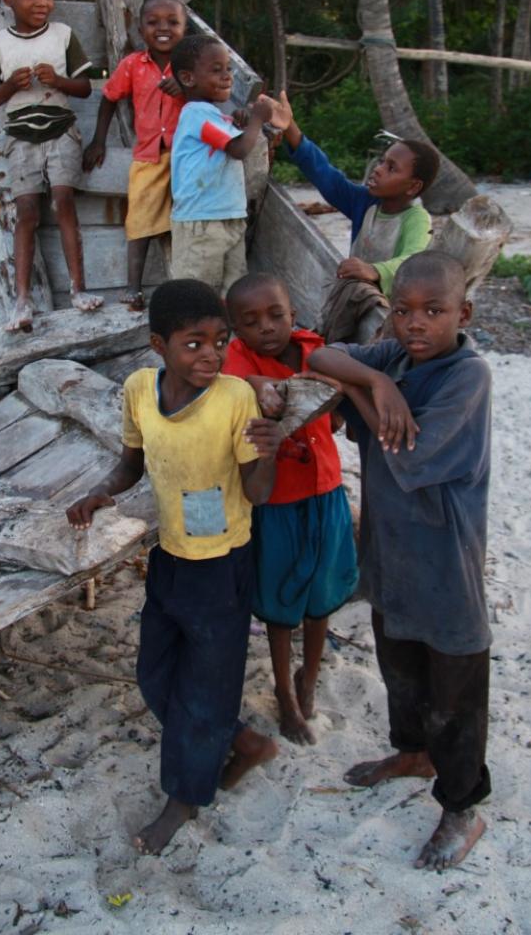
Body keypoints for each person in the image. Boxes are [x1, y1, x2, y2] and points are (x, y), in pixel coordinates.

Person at [67, 278, 282, 855]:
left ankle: (182, 801)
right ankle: (245, 743)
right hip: (170, 559)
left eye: (219, 341)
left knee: (206, 692)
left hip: (222, 568)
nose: (210, 354)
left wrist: (271, 450)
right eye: (194, 344)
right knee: (155, 676)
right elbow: (131, 465)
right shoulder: (139, 389)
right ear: (158, 345)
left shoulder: (236, 398)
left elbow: (257, 494)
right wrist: (100, 493)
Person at [306, 250, 492, 871]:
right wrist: (376, 381)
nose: (416, 325)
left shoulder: (467, 377)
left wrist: (358, 389)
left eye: (433, 312)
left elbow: (406, 456)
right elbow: (318, 356)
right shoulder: (394, 359)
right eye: (404, 312)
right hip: (390, 556)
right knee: (401, 668)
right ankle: (412, 752)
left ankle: (462, 808)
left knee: (455, 693)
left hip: (446, 566)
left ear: (461, 313)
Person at [223, 273, 358, 746]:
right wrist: (262, 382)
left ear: (293, 315)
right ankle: (283, 692)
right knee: (281, 606)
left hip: (325, 491)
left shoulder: (313, 349)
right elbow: (232, 382)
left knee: (320, 600)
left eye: (275, 315)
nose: (266, 328)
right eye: (251, 321)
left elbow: (338, 413)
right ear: (236, 330)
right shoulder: (237, 362)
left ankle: (309, 679)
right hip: (278, 502)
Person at [0, 0, 102, 331]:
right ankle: (22, 301)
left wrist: (58, 82)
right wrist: (11, 85)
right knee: (27, 213)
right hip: (21, 139)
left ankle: (79, 289)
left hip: (62, 130)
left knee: (64, 203)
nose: (43, 2)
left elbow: (84, 88)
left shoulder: (62, 36)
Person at [280, 112, 439, 341]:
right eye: (382, 161)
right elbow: (327, 177)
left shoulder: (415, 218)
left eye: (391, 168)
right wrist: (290, 127)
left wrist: (375, 270)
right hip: (353, 305)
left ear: (413, 187)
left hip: (390, 317)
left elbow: (413, 261)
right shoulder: (367, 202)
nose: (378, 169)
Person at [83, 0, 187, 310]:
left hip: (188, 157)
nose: (163, 28)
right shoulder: (132, 65)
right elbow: (109, 98)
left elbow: (211, 96)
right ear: (141, 29)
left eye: (172, 22)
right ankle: (134, 287)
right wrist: (99, 140)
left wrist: (186, 88)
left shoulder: (191, 64)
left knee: (185, 223)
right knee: (139, 218)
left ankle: (187, 286)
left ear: (185, 27)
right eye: (153, 22)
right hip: (148, 157)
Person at [169, 34, 292, 294]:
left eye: (228, 69)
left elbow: (233, 138)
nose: (227, 76)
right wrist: (258, 119)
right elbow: (239, 149)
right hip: (202, 223)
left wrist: (244, 119)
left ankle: (224, 336)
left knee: (233, 292)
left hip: (228, 217)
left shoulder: (214, 115)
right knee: (196, 295)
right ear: (188, 78)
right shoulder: (196, 113)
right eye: (216, 70)